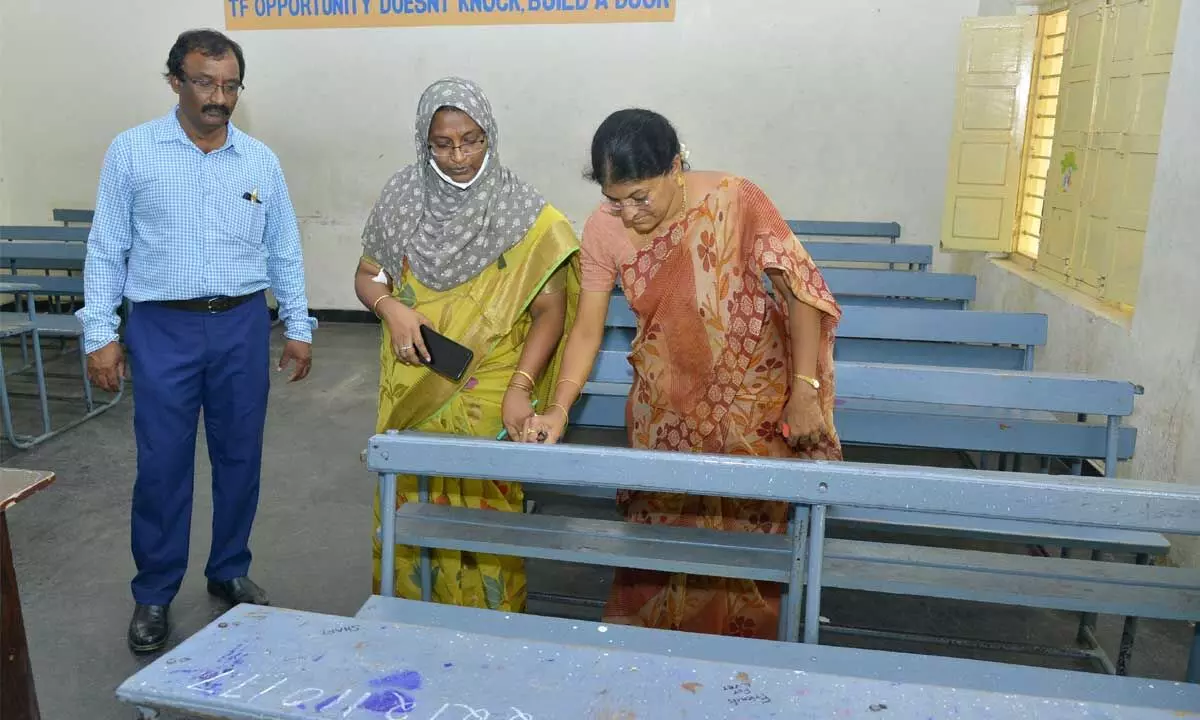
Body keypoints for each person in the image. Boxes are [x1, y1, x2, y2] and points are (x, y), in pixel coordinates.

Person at [522, 109, 843, 639]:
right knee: (658, 549)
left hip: (751, 409)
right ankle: (652, 668)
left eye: (640, 197)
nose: (628, 213)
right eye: (614, 199)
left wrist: (805, 391)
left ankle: (744, 675)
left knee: (746, 552)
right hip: (664, 412)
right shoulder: (604, 230)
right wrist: (557, 408)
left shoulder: (734, 199)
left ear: (675, 167)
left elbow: (800, 291)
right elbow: (585, 331)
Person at [78, 29, 316, 653]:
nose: (218, 96)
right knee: (162, 465)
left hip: (240, 324)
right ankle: (153, 593)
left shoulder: (259, 160)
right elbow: (106, 247)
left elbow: (283, 246)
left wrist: (298, 324)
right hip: (162, 327)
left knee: (240, 456)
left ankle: (229, 567)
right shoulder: (132, 152)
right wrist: (100, 332)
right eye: (205, 82)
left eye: (230, 84)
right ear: (175, 82)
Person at [353, 77, 580, 611]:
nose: (458, 156)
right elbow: (368, 276)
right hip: (415, 382)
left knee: (487, 511)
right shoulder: (402, 197)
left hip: (491, 389)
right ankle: (408, 620)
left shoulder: (526, 212)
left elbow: (552, 310)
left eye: (472, 140)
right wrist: (390, 308)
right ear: (423, 141)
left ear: (490, 135)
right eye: (443, 143)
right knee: (412, 502)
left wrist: (522, 387)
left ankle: (493, 629)